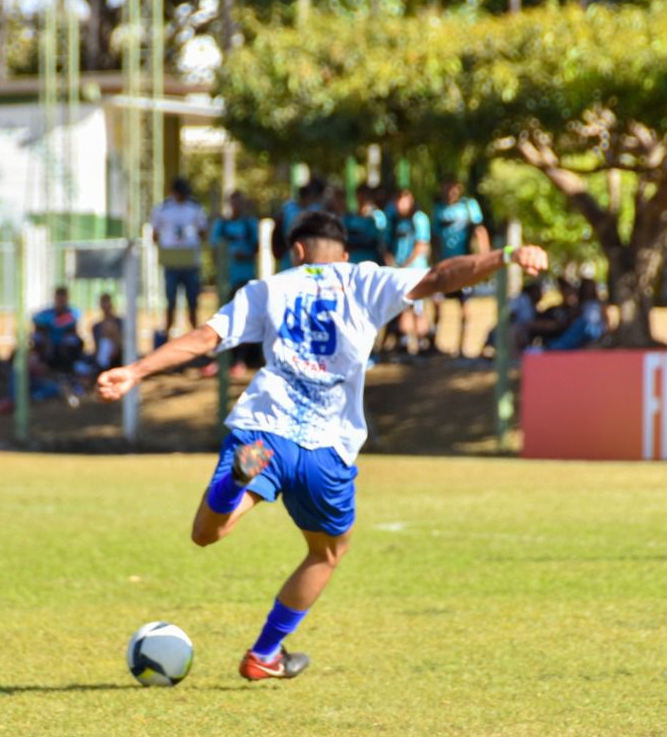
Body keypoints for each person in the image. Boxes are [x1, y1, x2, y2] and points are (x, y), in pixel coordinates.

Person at [97, 210, 547, 680]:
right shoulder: (364, 280)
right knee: (327, 553)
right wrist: (506, 255)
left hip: (264, 433)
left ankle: (236, 483)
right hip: (325, 448)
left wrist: (136, 371)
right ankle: (264, 654)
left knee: (206, 534)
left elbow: (205, 338)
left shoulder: (269, 287)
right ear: (344, 253)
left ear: (296, 251)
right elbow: (439, 277)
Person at [431, 179, 490, 357]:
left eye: (454, 187)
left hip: (463, 264)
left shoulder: (469, 206)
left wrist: (485, 257)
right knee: (437, 303)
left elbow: (479, 230)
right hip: (444, 265)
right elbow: (435, 237)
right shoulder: (438, 209)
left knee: (464, 306)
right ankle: (434, 343)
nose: (450, 190)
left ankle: (462, 347)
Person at [211, 191, 262, 374]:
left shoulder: (250, 224)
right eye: (233, 202)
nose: (236, 206)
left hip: (244, 278)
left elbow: (256, 248)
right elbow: (214, 249)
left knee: (243, 318)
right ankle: (222, 359)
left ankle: (241, 360)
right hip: (226, 279)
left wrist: (245, 255)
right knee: (224, 319)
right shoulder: (221, 224)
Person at [151, 177, 208, 335]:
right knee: (170, 299)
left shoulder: (195, 208)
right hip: (172, 260)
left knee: (193, 300)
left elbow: (203, 231)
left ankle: (196, 335)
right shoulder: (162, 208)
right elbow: (154, 234)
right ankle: (167, 332)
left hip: (190, 260)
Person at [385, 188, 432, 355]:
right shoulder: (394, 220)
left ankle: (422, 343)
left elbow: (421, 245)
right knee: (404, 307)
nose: (399, 204)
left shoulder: (419, 219)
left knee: (418, 308)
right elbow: (385, 243)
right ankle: (405, 343)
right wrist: (391, 261)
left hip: (415, 272)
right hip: (399, 271)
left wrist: (405, 265)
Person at [274, 179, 325, 271]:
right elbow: (278, 230)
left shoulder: (315, 208)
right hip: (289, 251)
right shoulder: (288, 209)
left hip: (309, 251)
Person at [32, 286, 84, 374]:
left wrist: (52, 322)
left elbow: (70, 321)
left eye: (63, 298)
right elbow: (36, 319)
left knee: (72, 341)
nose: (61, 301)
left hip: (63, 345)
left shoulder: (72, 312)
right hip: (48, 342)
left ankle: (69, 368)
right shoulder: (47, 312)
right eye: (58, 298)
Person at [546, 277, 607, 351]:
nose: (588, 290)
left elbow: (604, 320)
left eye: (590, 287)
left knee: (582, 323)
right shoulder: (581, 304)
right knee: (579, 325)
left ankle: (560, 345)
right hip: (583, 329)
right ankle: (561, 344)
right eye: (586, 288)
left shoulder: (599, 304)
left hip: (595, 329)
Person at [343, 185, 387, 266]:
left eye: (366, 195)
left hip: (372, 260)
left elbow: (379, 239)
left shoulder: (378, 216)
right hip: (353, 260)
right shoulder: (349, 218)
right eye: (360, 195)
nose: (362, 198)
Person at [91, 292, 124, 373]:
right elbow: (96, 348)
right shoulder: (97, 326)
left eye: (107, 302)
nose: (105, 305)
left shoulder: (120, 322)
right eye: (103, 302)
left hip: (117, 361)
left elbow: (121, 343)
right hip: (103, 363)